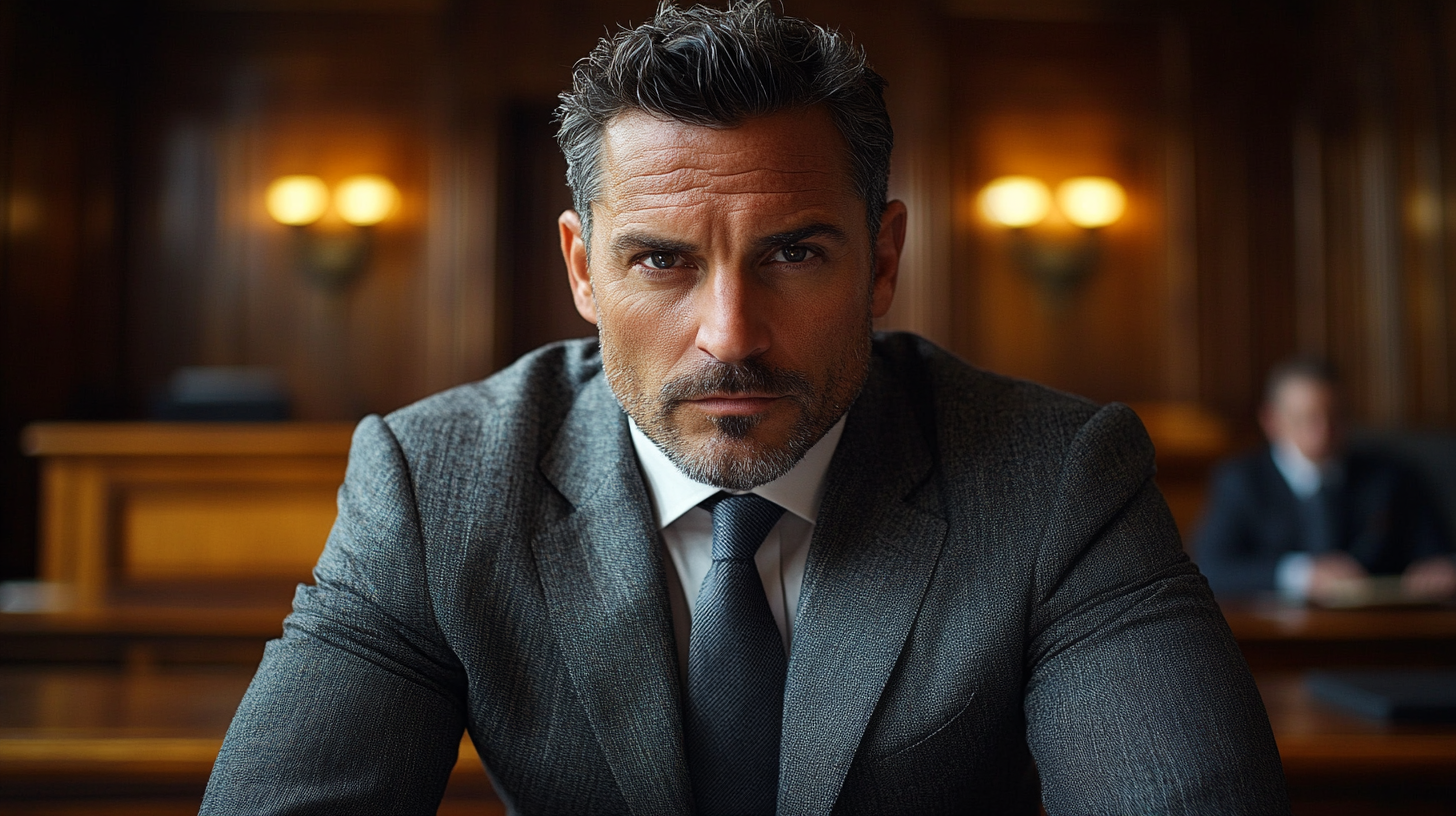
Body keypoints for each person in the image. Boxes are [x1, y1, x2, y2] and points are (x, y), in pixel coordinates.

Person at [202, 3, 1287, 813]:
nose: (729, 334)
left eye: (795, 253)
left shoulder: (1058, 477)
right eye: (663, 261)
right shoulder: (435, 480)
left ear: (881, 260)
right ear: (584, 271)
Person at [1196, 356, 1456, 603]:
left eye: (1335, 416)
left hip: (1378, 630)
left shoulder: (1390, 478)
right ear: (1271, 420)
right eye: (1307, 418)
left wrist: (1439, 570)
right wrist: (1302, 574)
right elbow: (1212, 567)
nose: (1323, 431)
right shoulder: (1242, 481)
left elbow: (1436, 554)